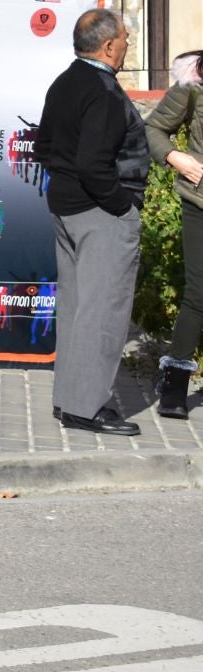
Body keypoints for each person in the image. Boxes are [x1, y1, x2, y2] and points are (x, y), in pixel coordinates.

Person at [37, 8, 150, 436]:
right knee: (102, 311)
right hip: (101, 214)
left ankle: (70, 402)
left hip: (67, 208)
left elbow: (43, 146)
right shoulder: (102, 91)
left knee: (77, 308)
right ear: (107, 46)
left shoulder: (65, 81)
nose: (127, 43)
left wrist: (70, 185)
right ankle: (87, 408)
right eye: (124, 37)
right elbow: (93, 163)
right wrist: (121, 205)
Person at [146, 49, 203, 419]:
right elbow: (153, 128)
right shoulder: (194, 81)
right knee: (199, 293)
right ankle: (175, 382)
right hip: (200, 202)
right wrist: (176, 157)